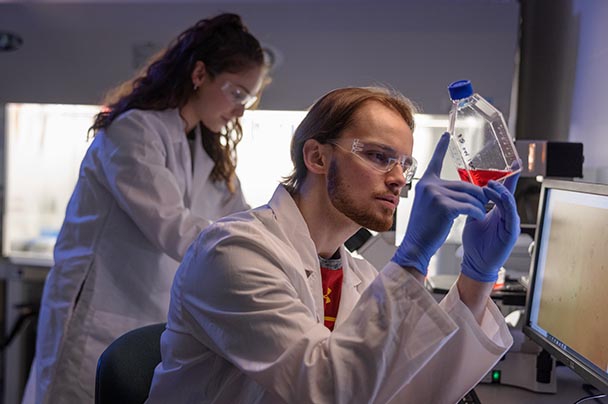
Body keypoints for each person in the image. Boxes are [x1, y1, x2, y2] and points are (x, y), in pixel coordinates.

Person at [146, 86, 520, 403]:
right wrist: (413, 255)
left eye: (405, 165)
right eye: (379, 156)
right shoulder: (232, 253)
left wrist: (476, 275)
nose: (398, 180)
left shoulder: (357, 274)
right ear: (317, 157)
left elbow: (409, 387)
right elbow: (325, 388)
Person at [22, 13, 267, 404]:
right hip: (98, 310)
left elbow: (241, 218)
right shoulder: (133, 132)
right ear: (200, 73)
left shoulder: (203, 150)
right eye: (236, 93)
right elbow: (172, 226)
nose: (240, 110)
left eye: (248, 99)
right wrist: (259, 257)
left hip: (150, 313)